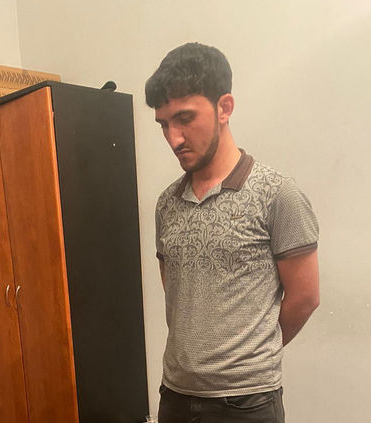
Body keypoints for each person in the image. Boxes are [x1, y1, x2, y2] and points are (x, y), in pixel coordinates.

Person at [146, 42, 320, 423]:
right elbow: (176, 292)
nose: (174, 138)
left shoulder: (277, 194)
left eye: (185, 118)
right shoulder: (166, 204)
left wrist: (250, 354)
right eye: (163, 124)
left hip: (246, 405)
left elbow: (305, 297)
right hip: (174, 397)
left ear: (224, 107)